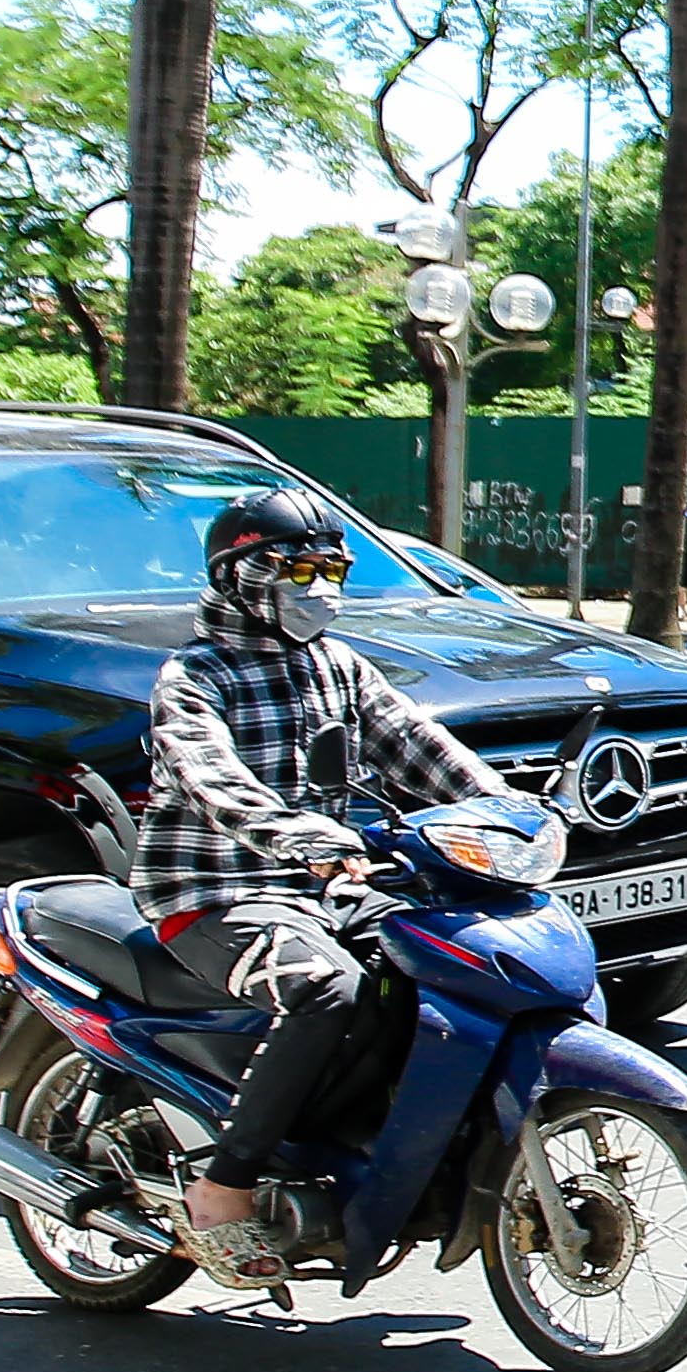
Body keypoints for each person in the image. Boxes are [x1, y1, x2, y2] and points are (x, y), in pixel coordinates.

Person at [137, 490, 502, 1290]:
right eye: (295, 568)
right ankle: (223, 1187)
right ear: (239, 576)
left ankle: (356, 1149)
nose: (318, 586)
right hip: (214, 893)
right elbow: (212, 780)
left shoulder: (337, 665)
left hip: (327, 884)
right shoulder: (193, 676)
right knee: (329, 991)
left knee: (438, 966)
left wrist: (503, 813)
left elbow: (418, 747)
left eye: (330, 567)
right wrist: (306, 840)